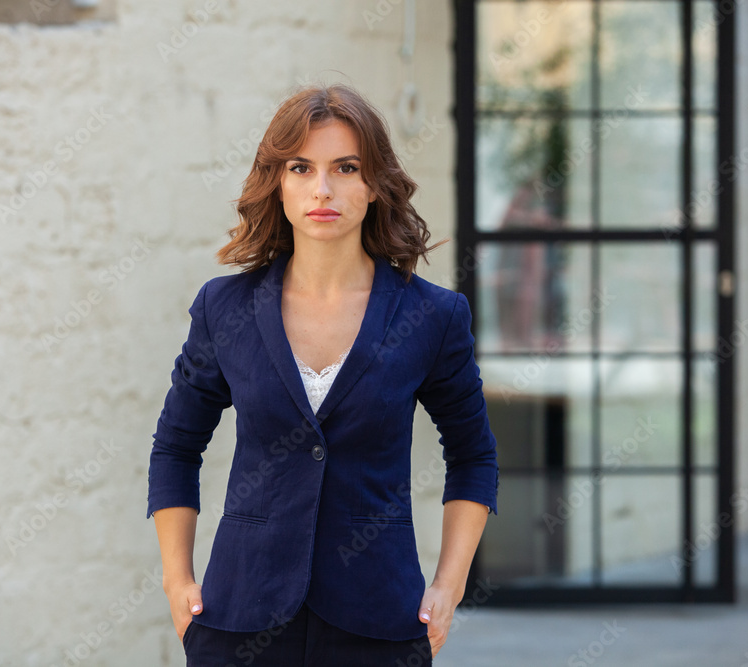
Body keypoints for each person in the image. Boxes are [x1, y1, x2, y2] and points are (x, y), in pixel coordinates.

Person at [146, 84, 499, 666]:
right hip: (239, 617)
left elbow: (474, 457)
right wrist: (176, 578)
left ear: (374, 183)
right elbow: (176, 447)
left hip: (380, 622)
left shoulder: (432, 316)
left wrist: (449, 585)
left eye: (347, 167)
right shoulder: (225, 308)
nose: (323, 189)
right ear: (278, 183)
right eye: (301, 168)